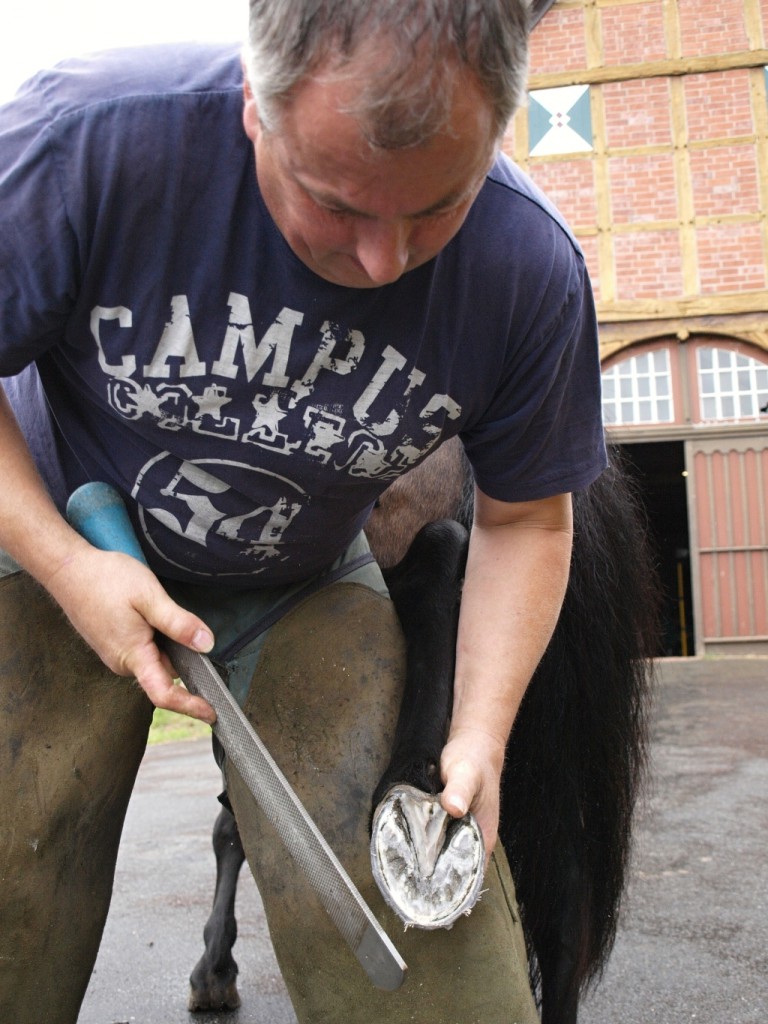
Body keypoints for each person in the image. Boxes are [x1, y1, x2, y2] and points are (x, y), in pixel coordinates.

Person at [0, 1, 606, 1021]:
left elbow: (525, 521)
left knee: (422, 941)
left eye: (438, 206)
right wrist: (65, 563)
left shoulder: (529, 269)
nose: (385, 262)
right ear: (254, 105)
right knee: (19, 859)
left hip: (302, 581)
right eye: (337, 204)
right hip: (58, 529)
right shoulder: (85, 143)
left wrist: (481, 728)